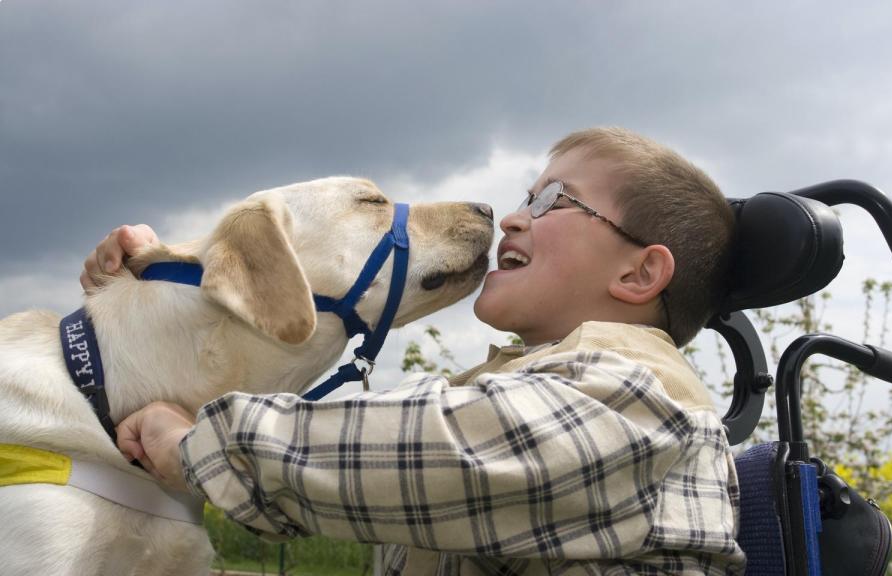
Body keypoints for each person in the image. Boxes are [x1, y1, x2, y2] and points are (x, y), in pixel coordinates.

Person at [82, 127, 744, 575]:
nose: (512, 217)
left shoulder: (639, 392)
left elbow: (440, 450)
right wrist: (170, 286)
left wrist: (202, 443)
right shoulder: (510, 386)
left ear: (638, 275)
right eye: (525, 196)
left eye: (552, 201)